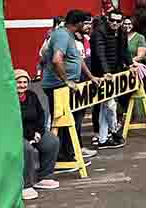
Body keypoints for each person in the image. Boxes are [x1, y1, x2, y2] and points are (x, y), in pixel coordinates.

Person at [42, 10, 102, 167]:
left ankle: (69, 155)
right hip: (58, 87)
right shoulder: (62, 35)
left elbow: (78, 59)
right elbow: (56, 59)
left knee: (73, 120)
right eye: (85, 22)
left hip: (65, 85)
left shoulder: (69, 36)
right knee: (63, 123)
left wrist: (91, 77)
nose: (87, 25)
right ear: (78, 23)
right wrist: (67, 80)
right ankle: (61, 158)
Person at [17, 69, 60, 201]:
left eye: (25, 82)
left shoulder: (31, 95)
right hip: (17, 133)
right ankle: (26, 185)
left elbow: (41, 115)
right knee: (27, 150)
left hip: (34, 132)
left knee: (52, 141)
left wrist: (38, 132)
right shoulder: (8, 99)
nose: (22, 85)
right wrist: (30, 136)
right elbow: (14, 121)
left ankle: (45, 176)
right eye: (19, 82)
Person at [90, 10, 126, 150]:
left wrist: (130, 64)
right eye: (112, 20)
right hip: (101, 75)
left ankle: (104, 137)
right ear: (108, 19)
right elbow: (100, 53)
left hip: (114, 74)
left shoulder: (121, 32)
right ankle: (111, 132)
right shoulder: (99, 32)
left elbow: (124, 51)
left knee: (107, 106)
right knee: (107, 106)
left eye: (118, 21)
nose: (115, 23)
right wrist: (106, 72)